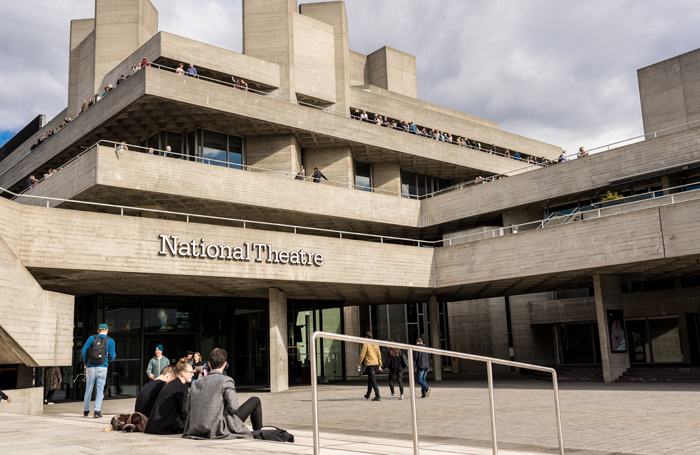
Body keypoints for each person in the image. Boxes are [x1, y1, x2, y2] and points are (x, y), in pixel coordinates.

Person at [183, 348, 263, 439]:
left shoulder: (195, 383)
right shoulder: (226, 380)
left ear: (209, 364)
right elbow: (233, 408)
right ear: (224, 364)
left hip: (195, 428)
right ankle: (259, 433)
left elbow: (188, 409)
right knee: (255, 400)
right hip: (218, 428)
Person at [144, 358, 192, 435]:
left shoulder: (172, 383)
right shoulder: (181, 386)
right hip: (165, 427)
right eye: (190, 372)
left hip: (154, 426)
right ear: (182, 373)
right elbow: (184, 412)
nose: (192, 374)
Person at [82, 323, 117, 418]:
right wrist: (108, 361)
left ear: (98, 331)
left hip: (90, 367)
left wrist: (85, 362)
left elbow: (83, 350)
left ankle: (86, 410)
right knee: (100, 390)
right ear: (107, 331)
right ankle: (97, 411)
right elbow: (113, 355)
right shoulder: (110, 341)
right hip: (102, 367)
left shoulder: (91, 338)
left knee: (88, 388)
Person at [357, 331, 382, 401]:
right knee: (370, 379)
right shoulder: (376, 344)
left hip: (370, 364)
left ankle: (378, 395)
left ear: (366, 337)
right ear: (372, 337)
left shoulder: (366, 344)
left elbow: (362, 354)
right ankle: (368, 394)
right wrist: (380, 364)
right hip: (375, 363)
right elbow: (379, 354)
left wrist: (359, 363)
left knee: (373, 380)